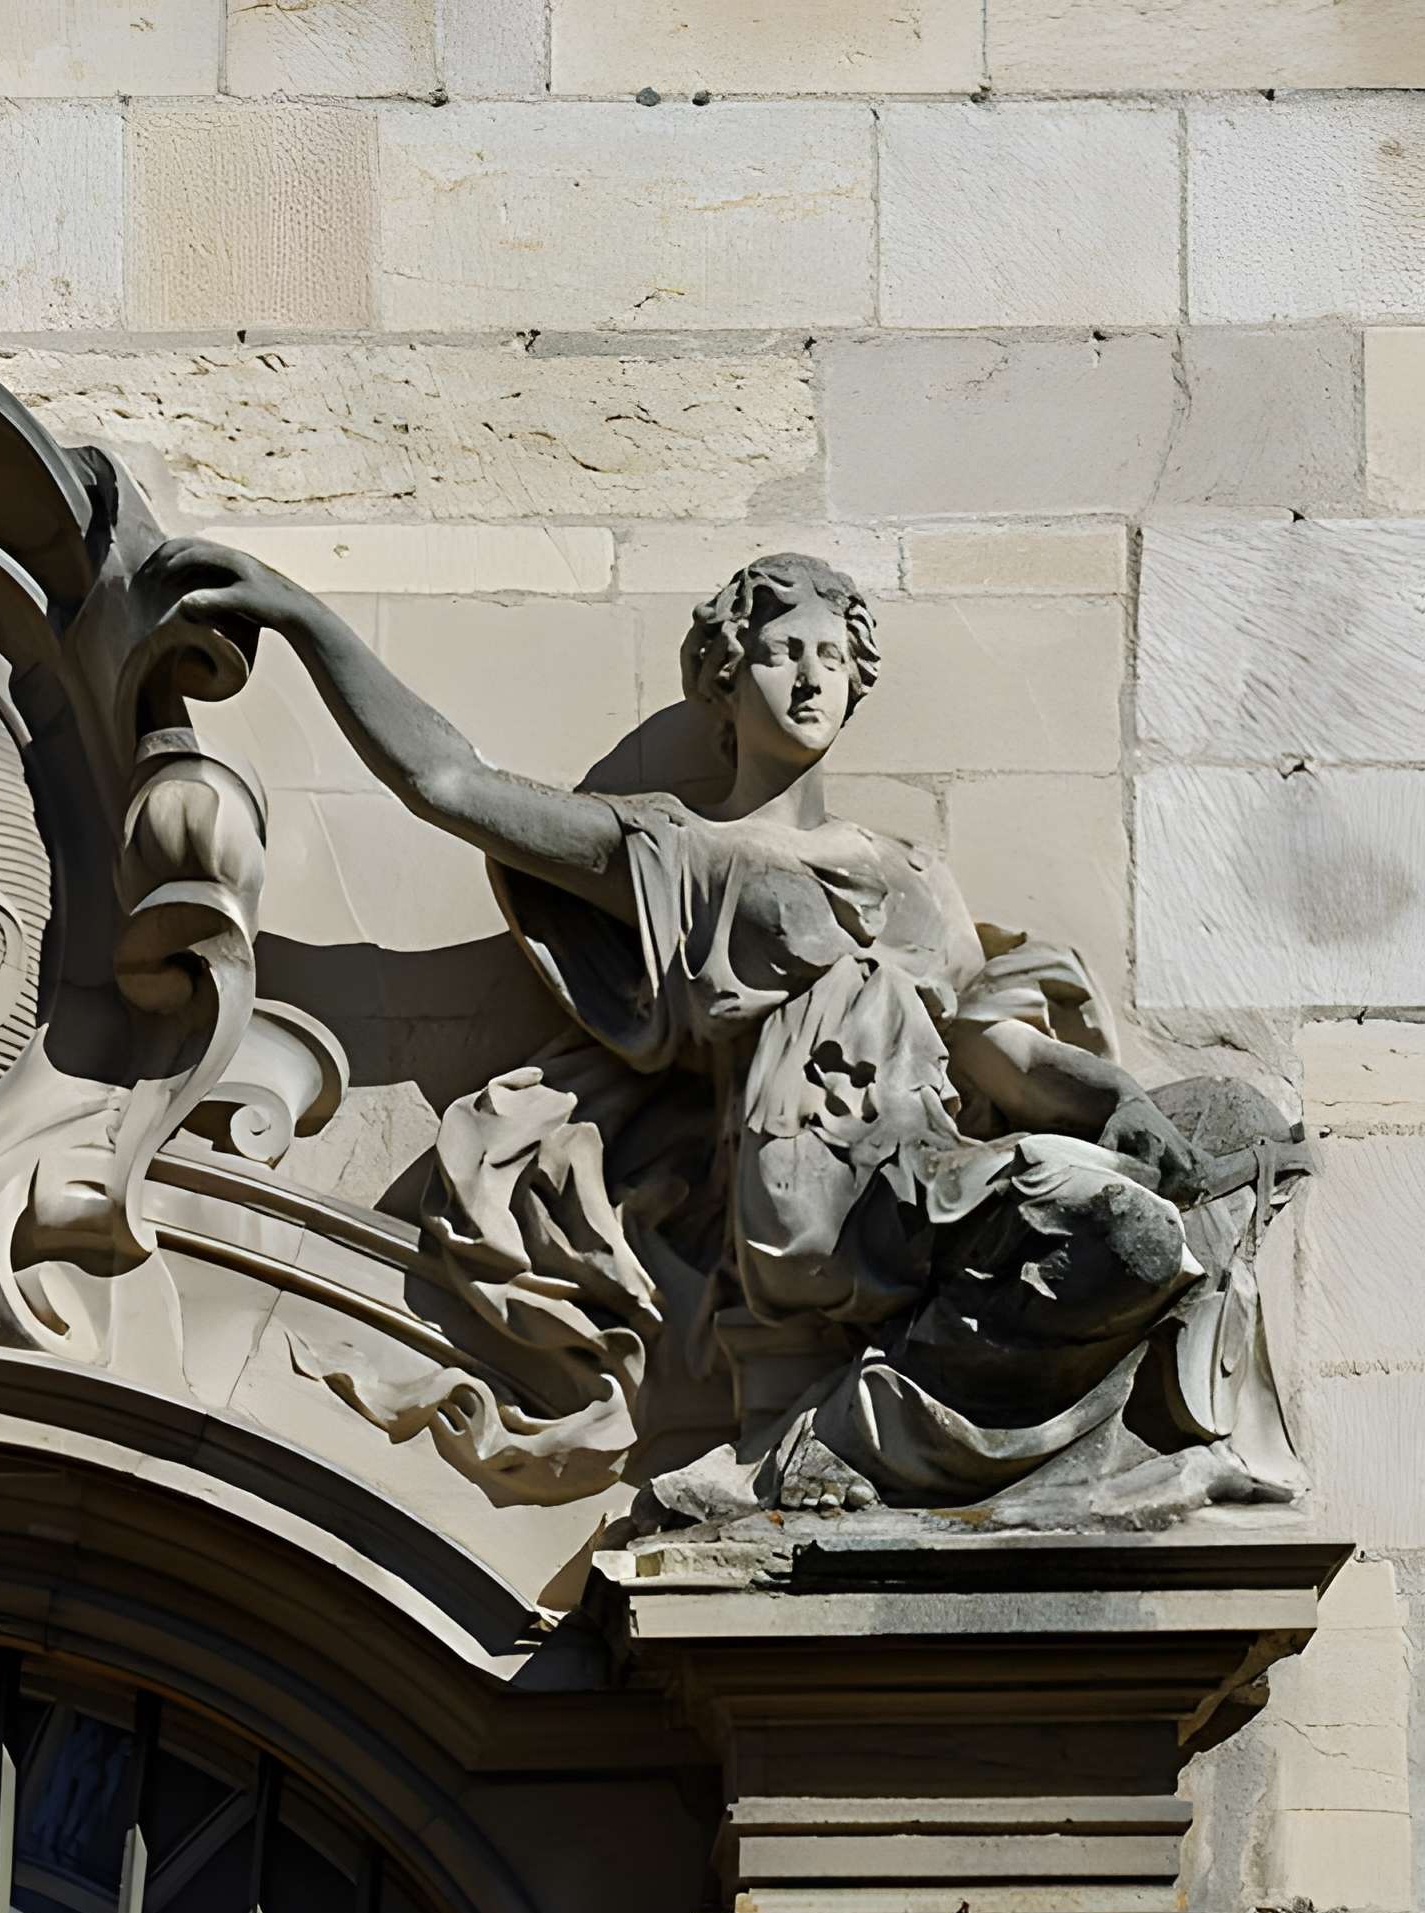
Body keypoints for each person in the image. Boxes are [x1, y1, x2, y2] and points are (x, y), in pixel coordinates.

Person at [162, 540, 1302, 1522]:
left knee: (1144, 1237)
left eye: (830, 657)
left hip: (934, 1167)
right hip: (809, 1188)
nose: (809, 679)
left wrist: (1115, 1102)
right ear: (723, 675)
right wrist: (301, 616)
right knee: (1111, 1229)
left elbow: (987, 1048)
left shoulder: (908, 877)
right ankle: (850, 1435)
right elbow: (446, 781)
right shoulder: (679, 854)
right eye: (780, 652)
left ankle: (853, 1432)